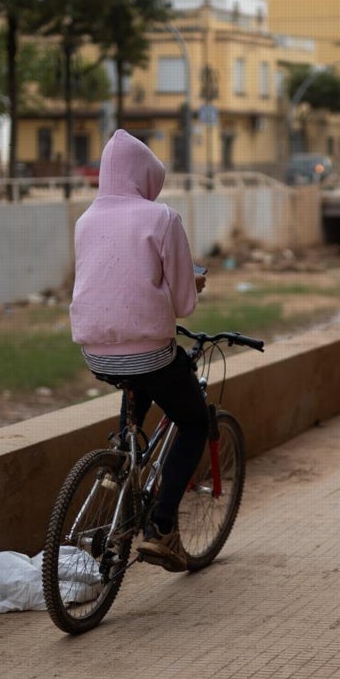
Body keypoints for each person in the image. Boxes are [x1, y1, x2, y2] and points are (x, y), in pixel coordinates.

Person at [70, 129, 208, 573]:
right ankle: (162, 528)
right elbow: (184, 303)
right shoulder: (161, 218)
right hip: (150, 351)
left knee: (137, 378)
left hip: (95, 351)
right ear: (145, 176)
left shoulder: (85, 220)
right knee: (193, 421)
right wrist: (194, 283)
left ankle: (121, 457)